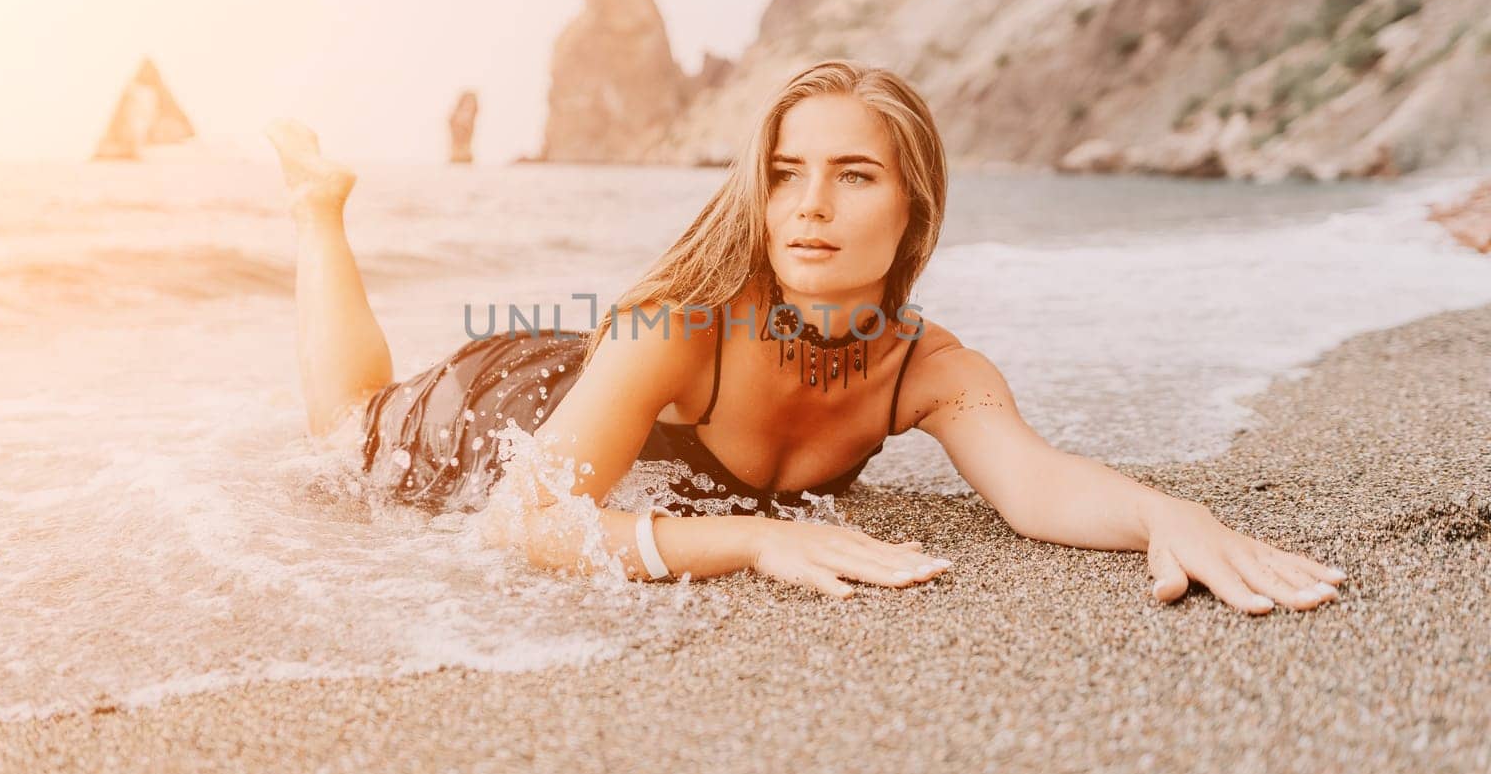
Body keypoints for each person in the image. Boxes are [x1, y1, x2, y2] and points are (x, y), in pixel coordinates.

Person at [266, 59, 1348, 612]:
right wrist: (757, 537)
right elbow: (522, 522)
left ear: (912, 211)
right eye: (785, 173)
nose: (809, 204)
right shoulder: (678, 325)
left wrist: (1172, 514)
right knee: (344, 429)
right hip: (511, 411)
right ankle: (319, 208)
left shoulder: (929, 368)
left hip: (599, 395)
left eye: (854, 174)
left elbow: (1036, 488)